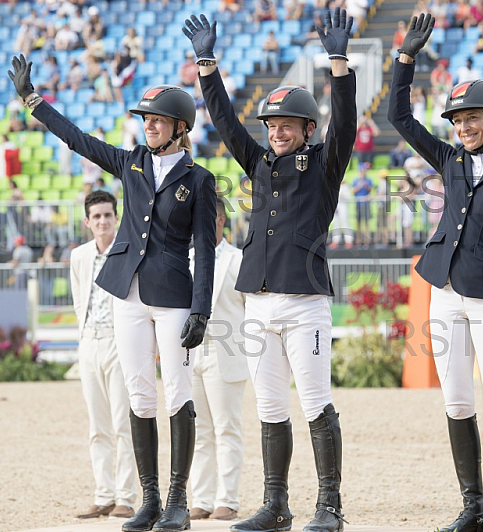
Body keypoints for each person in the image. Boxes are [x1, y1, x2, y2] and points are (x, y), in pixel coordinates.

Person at [9, 55, 217, 532]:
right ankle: (149, 500)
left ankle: (178, 501)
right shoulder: (130, 163)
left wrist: (201, 309)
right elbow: (78, 140)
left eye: (157, 120)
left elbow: (204, 249)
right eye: (146, 119)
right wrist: (33, 101)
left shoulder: (200, 180)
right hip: (127, 293)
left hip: (172, 298)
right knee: (139, 396)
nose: (149, 126)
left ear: (179, 127)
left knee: (177, 397)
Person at [182, 9, 356, 532]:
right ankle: (276, 503)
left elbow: (344, 124)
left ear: (307, 128)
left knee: (316, 402)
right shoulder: (257, 164)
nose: (277, 133)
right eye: (273, 126)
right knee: (272, 406)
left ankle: (330, 506)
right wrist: (207, 67)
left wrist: (339, 64)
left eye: (287, 126)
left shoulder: (324, 165)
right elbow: (226, 123)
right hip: (257, 299)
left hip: (304, 301)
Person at [388, 14, 483, 532]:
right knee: (456, 400)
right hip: (445, 290)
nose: (464, 127)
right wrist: (405, 59)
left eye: (474, 118)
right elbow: (400, 118)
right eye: (458, 120)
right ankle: (473, 506)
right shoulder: (450, 159)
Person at [71, 191, 137, 520]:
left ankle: (126, 496)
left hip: (120, 341)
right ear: (87, 221)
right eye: (96, 216)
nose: (102, 221)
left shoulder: (128, 252)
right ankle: (103, 495)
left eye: (107, 215)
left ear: (116, 217)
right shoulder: (79, 257)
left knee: (123, 422)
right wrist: (84, 338)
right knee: (97, 426)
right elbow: (78, 298)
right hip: (90, 342)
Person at [188, 199, 248, 522]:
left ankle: (228, 499)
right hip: (192, 353)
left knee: (227, 428)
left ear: (222, 219)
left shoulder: (238, 260)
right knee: (199, 431)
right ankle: (203, 498)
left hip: (226, 351)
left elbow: (250, 308)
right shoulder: (186, 259)